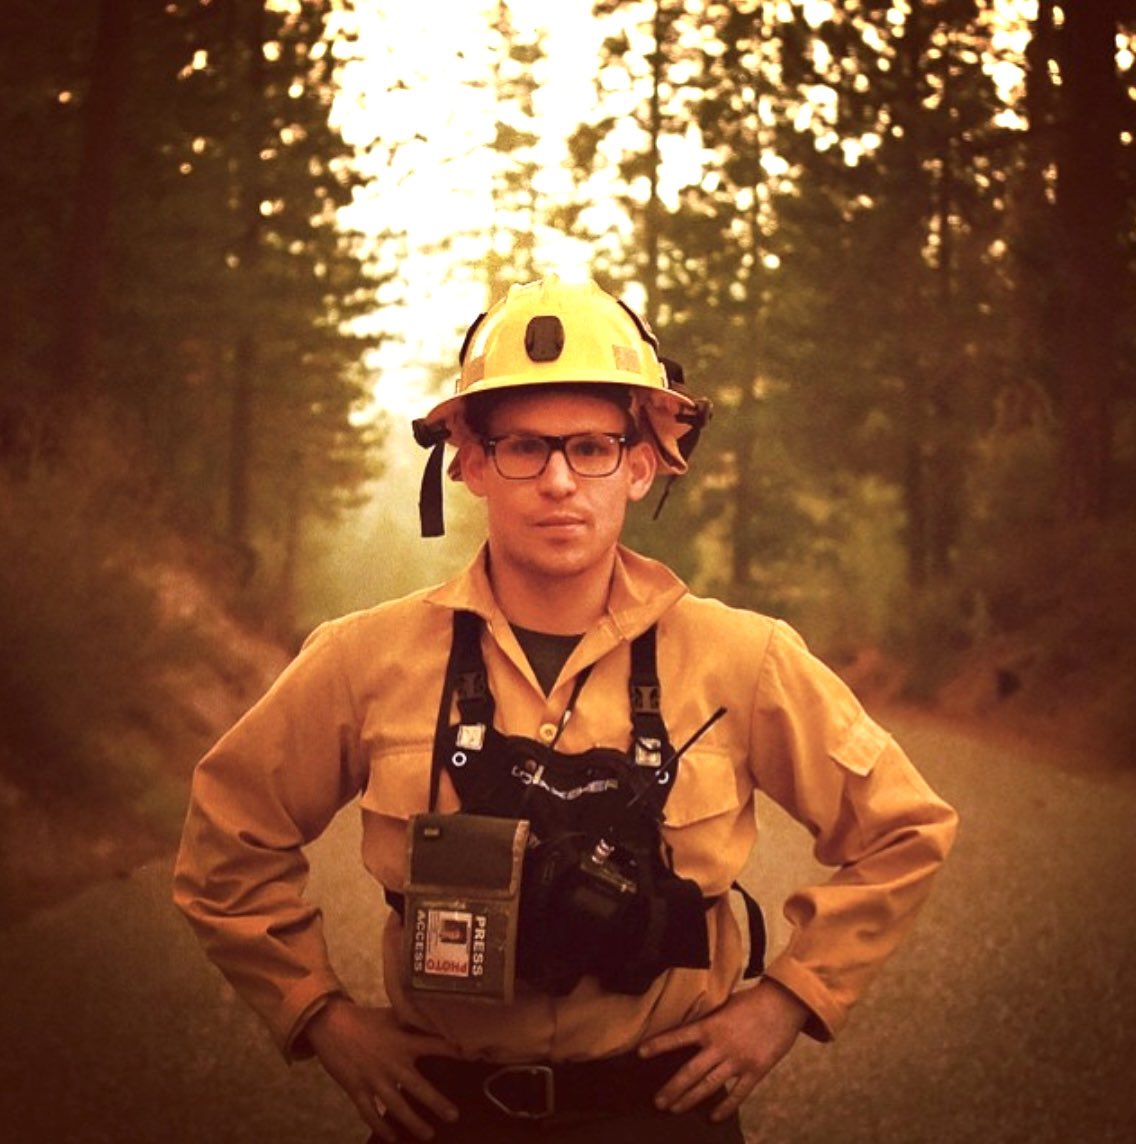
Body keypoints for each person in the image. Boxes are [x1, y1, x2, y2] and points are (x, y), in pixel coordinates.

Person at [174, 275, 958, 1143]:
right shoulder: (363, 660)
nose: (558, 481)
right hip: (443, 1117)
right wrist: (320, 1014)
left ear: (641, 464)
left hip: (665, 1116)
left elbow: (904, 830)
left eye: (591, 447)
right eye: (523, 448)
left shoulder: (745, 659)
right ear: (470, 462)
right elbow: (227, 836)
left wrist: (786, 1001)